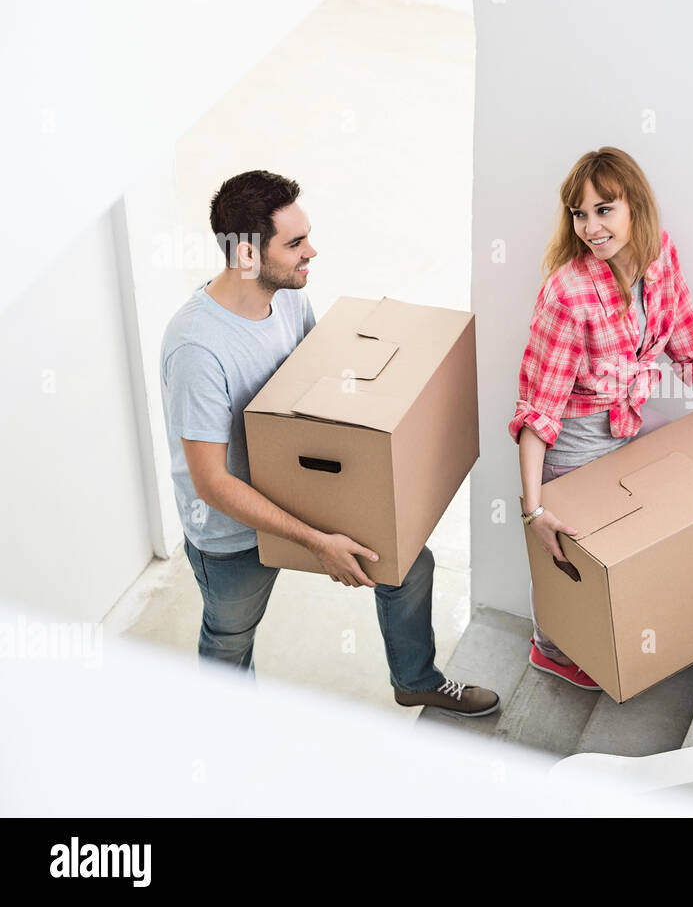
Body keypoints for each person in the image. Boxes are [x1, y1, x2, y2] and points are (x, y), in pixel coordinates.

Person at [160, 169, 498, 716]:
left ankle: (416, 679)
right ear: (246, 253)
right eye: (294, 244)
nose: (311, 252)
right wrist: (318, 541)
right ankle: (222, 735)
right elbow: (212, 482)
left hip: (297, 485)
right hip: (230, 528)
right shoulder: (198, 348)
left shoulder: (289, 297)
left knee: (409, 564)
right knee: (229, 640)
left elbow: (314, 396)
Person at [509, 147, 693, 690]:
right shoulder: (567, 294)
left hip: (628, 427)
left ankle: (626, 631)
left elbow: (686, 339)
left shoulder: (659, 256)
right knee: (570, 555)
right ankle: (549, 647)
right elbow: (539, 410)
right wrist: (534, 511)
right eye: (580, 214)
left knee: (640, 536)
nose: (591, 227)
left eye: (605, 209)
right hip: (575, 445)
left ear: (634, 207)